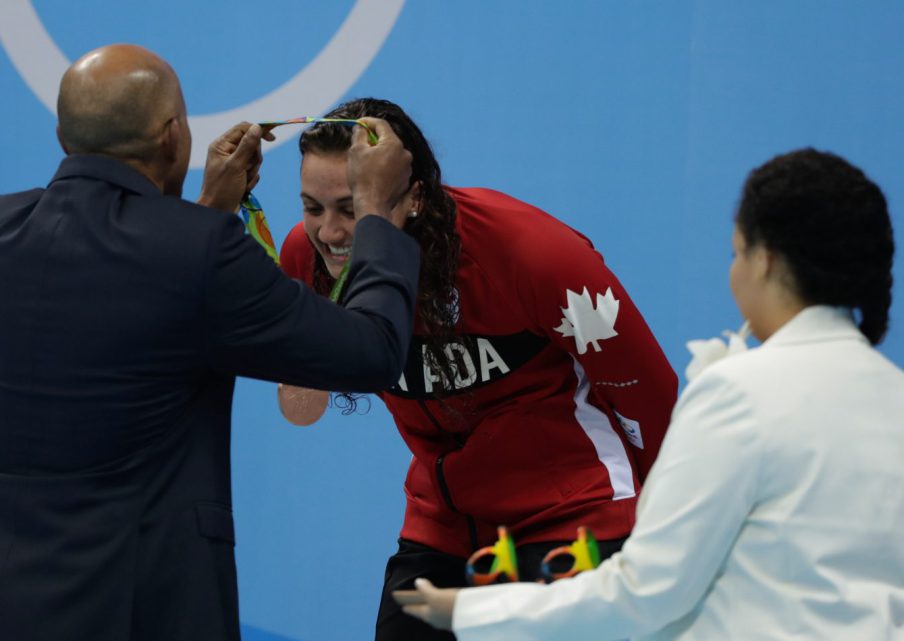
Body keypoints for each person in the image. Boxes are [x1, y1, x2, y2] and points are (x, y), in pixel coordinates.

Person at [0, 45, 420, 641]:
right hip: (142, 605)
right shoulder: (200, 253)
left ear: (63, 135)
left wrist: (210, 211)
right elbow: (370, 350)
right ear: (174, 136)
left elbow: (144, 292)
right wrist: (376, 210)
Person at [395, 148, 904, 640]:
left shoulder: (737, 393)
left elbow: (646, 590)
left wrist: (474, 609)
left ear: (765, 262)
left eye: (736, 252)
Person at [278, 98, 679, 641]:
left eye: (352, 208)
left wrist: (668, 539)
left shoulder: (529, 253)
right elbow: (301, 410)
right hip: (444, 525)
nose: (329, 233)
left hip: (571, 513)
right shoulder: (308, 257)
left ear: (413, 195)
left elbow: (650, 398)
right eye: (312, 208)